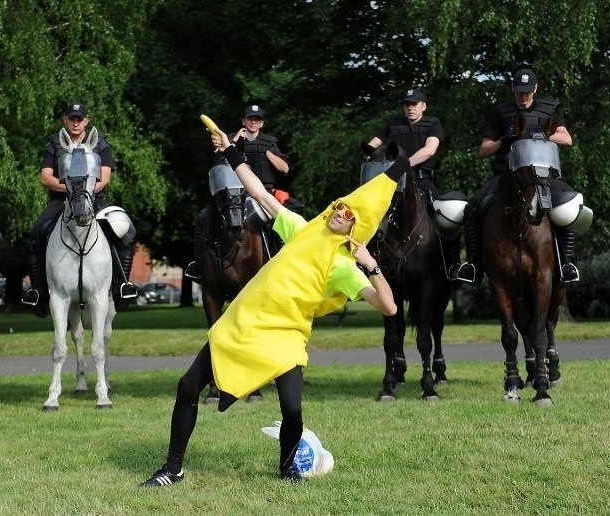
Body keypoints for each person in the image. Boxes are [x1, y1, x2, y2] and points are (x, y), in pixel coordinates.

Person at [140, 125, 405, 487]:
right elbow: (259, 192)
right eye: (341, 205)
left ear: (354, 230)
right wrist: (230, 151)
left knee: (292, 409)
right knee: (188, 386)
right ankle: (172, 469)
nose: (342, 211)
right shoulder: (301, 226)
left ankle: (287, 468)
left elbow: (388, 307)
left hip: (286, 336)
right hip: (246, 321)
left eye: (350, 213)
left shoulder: (346, 268)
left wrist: (370, 264)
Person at [453, 67, 579, 285]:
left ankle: (566, 264)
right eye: (520, 92)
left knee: (568, 206)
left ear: (536, 89)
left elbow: (567, 139)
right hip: (507, 176)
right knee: (473, 208)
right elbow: (483, 150)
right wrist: (503, 138)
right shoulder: (502, 112)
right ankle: (473, 265)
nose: (523, 97)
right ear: (512, 88)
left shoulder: (549, 109)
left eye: (528, 92)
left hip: (543, 176)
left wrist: (543, 133)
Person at [21, 103, 137, 317]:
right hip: (61, 201)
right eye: (71, 119)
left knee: (125, 229)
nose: (75, 123)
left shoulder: (100, 142)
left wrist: (84, 191)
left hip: (94, 199)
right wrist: (70, 190)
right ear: (65, 120)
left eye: (79, 119)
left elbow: (105, 177)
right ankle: (38, 291)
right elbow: (45, 176)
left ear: (86, 120)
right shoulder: (54, 144)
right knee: (35, 233)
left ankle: (123, 285)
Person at [184, 105, 303, 283]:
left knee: (280, 218)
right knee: (203, 216)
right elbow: (220, 156)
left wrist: (265, 152)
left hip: (265, 193)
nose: (253, 121)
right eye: (249, 118)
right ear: (243, 121)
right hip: (235, 192)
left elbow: (284, 168)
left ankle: (281, 260)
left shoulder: (270, 142)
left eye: (256, 119)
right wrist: (235, 142)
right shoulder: (230, 138)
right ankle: (197, 264)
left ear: (262, 123)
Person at [362, 88, 461, 276]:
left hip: (422, 181)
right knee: (366, 214)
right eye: (407, 104)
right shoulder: (392, 125)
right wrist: (373, 158)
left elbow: (429, 150)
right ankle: (363, 264)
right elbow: (371, 146)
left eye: (414, 104)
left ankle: (452, 266)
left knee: (450, 217)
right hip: (392, 184)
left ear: (423, 106)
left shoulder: (432, 123)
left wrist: (401, 165)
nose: (410, 108)